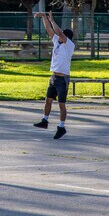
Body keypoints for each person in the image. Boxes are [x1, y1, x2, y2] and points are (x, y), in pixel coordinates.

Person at [32, 11, 75, 139]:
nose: (59, 37)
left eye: (62, 36)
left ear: (66, 38)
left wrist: (52, 20)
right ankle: (45, 121)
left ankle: (61, 127)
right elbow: (50, 31)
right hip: (54, 77)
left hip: (63, 79)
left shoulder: (69, 45)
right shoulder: (57, 42)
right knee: (48, 100)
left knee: (61, 104)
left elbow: (59, 32)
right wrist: (44, 17)